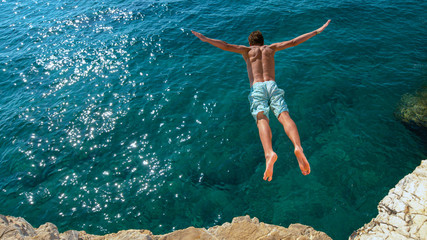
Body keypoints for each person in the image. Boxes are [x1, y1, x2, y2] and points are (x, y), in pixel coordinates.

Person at [192, 20, 331, 181]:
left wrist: (206, 38)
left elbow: (225, 45)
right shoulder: (270, 49)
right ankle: (298, 146)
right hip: (272, 85)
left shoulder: (247, 51)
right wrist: (317, 31)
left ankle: (269, 153)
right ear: (263, 42)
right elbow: (294, 42)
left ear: (250, 43)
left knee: (261, 117)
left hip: (257, 87)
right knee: (284, 116)